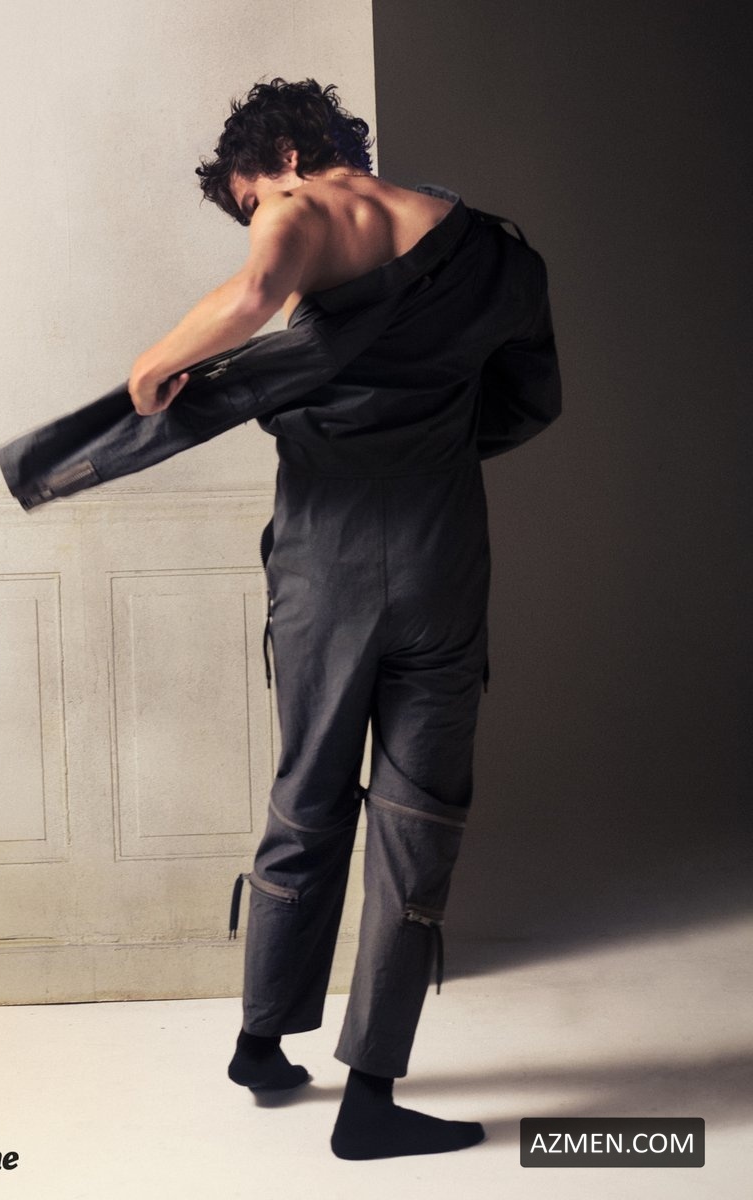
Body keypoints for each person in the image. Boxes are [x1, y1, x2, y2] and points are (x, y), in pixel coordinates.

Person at [126, 78, 560, 1161]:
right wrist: (428, 443)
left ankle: (262, 1038)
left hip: (326, 563)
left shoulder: (308, 205)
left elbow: (254, 295)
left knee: (309, 794)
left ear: (284, 156)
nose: (257, 217)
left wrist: (157, 363)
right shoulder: (499, 256)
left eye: (248, 198)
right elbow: (531, 400)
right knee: (418, 821)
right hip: (443, 558)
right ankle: (369, 1091)